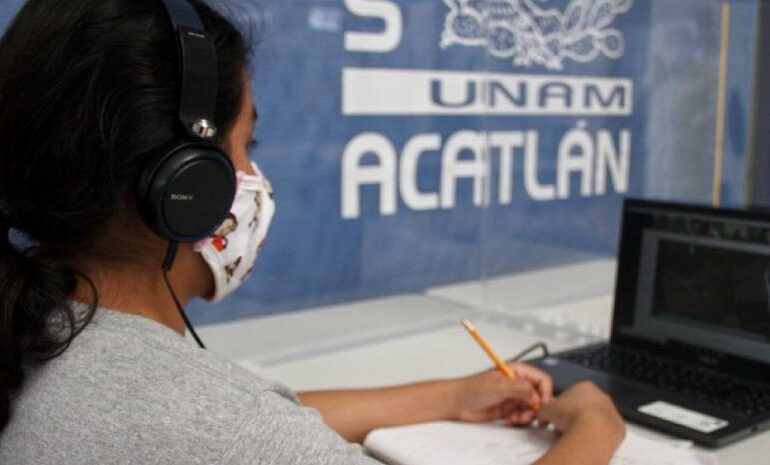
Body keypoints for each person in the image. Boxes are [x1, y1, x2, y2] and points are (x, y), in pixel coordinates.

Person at [0, 1, 626, 464]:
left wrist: (456, 395)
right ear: (188, 186)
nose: (255, 179)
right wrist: (596, 426)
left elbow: (258, 421)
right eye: (246, 146)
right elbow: (237, 429)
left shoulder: (41, 328)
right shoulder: (214, 424)